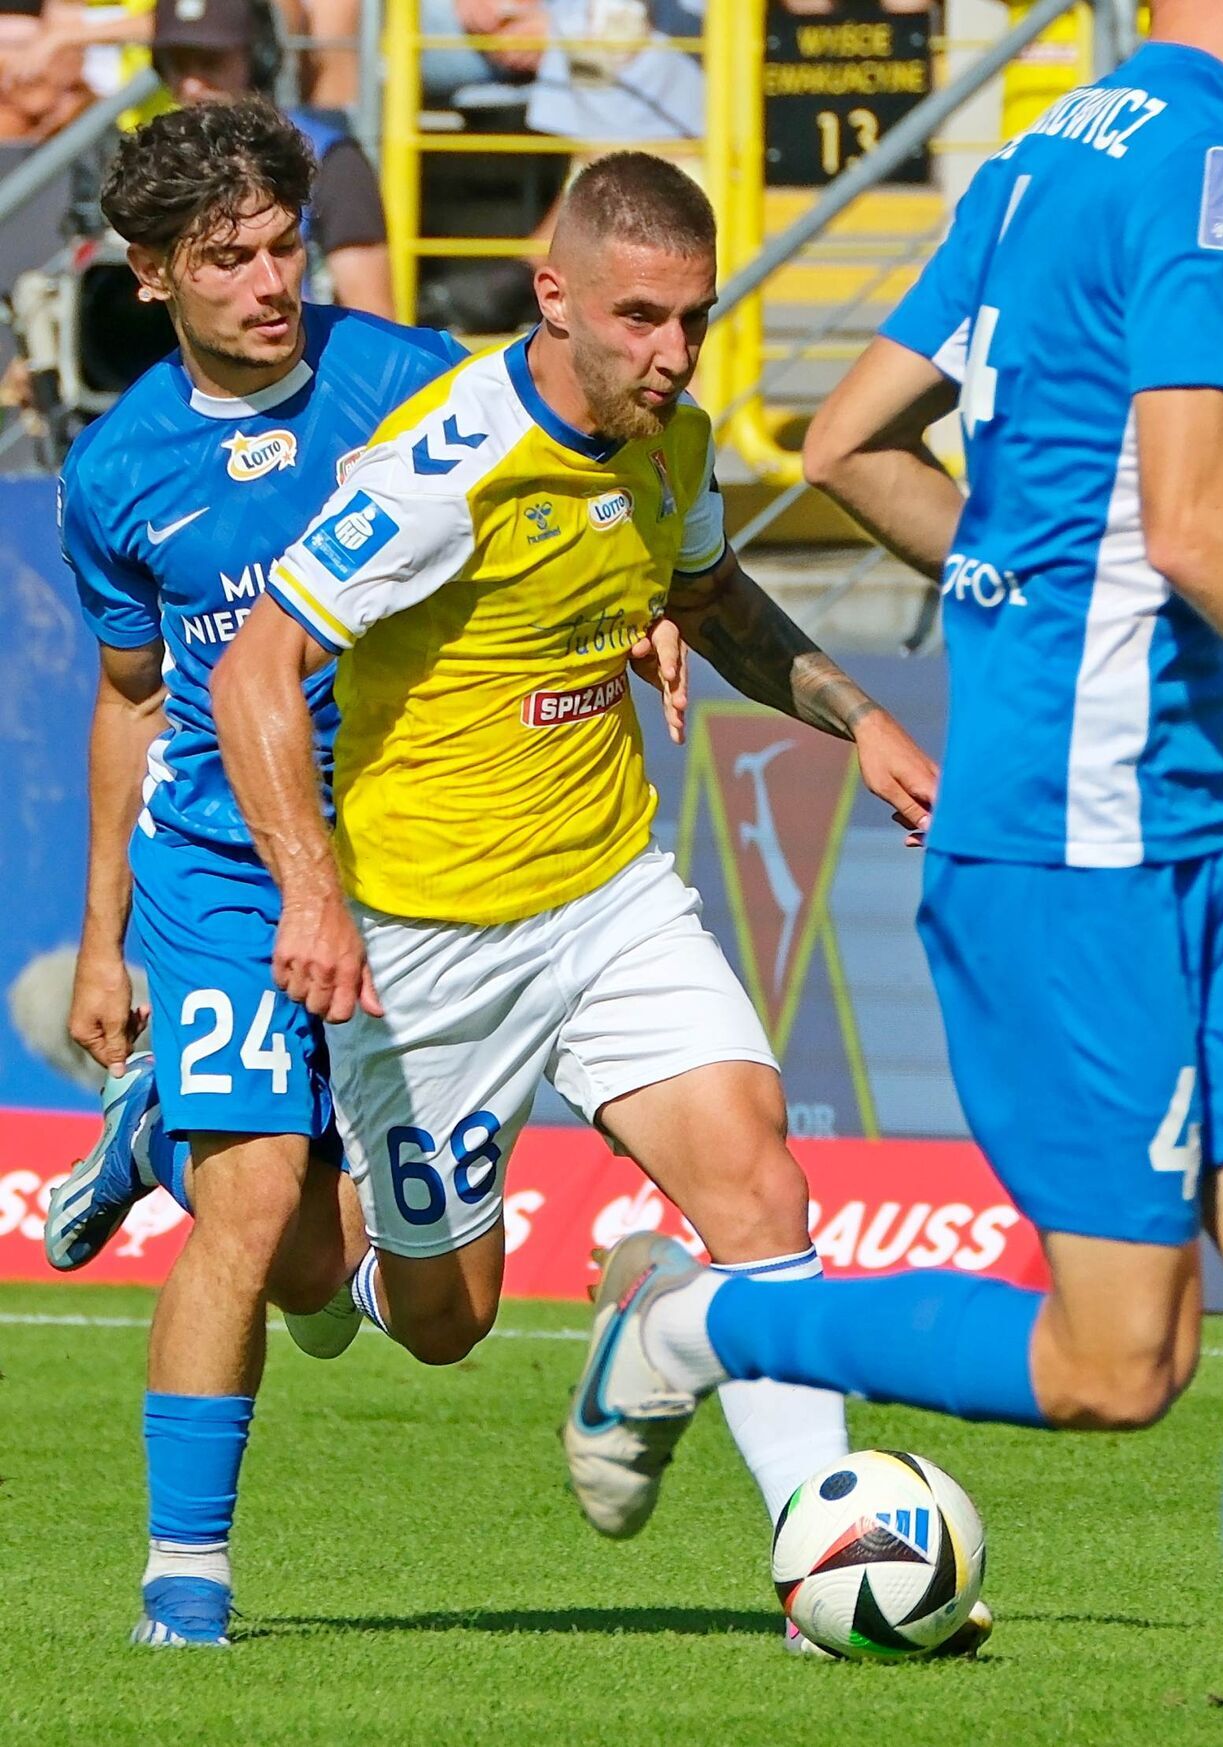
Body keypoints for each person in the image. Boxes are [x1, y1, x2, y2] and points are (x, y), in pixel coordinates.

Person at [558, 2, 1223, 1729]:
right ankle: (701, 1324)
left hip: (1199, 805)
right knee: (1120, 1365)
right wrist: (1083, 593)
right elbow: (1192, 526)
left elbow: (851, 439)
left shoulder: (1044, 153)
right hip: (1094, 837)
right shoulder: (1210, 160)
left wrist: (1031, 583)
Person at [210, 148, 956, 1648]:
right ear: (553, 297)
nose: (675, 354)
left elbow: (710, 599)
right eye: (640, 319)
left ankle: (832, 1565)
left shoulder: (668, 439)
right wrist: (313, 895)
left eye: (695, 317)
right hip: (426, 941)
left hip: (610, 896)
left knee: (761, 1179)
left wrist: (853, 710)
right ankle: (237, 1177)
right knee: (442, 1321)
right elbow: (249, 673)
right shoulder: (448, 462)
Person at [53, 95, 469, 1648]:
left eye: (285, 245)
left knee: (358, 1295)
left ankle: (156, 1129)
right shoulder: (118, 474)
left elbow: (549, 516)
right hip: (222, 874)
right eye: (225, 259)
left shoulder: (415, 381)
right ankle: (185, 1587)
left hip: (408, 863)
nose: (270, 281)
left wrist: (640, 609)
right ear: (151, 274)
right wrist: (101, 943)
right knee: (245, 1226)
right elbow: (130, 699)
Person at [150, 0, 396, 318]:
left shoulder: (327, 158)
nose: (191, 84)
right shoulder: (157, 166)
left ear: (260, 58)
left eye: (210, 61)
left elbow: (375, 323)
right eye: (178, 64)